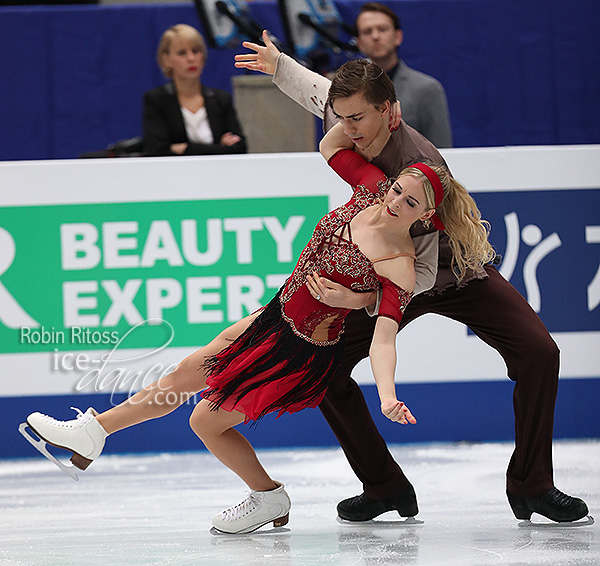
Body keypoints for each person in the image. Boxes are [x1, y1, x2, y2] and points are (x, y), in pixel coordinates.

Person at [22, 69, 495, 535]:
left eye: (410, 203)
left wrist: (387, 395)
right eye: (398, 190)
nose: (395, 203)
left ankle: (267, 495)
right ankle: (95, 432)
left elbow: (384, 339)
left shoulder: (400, 264)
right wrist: (345, 108)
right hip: (274, 314)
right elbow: (331, 145)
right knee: (182, 375)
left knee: (204, 421)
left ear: (427, 215)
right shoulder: (370, 188)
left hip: (299, 352)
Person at [234, 34, 591, 525]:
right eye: (342, 118)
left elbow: (416, 272)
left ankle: (532, 485)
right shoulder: (358, 120)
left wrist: (362, 297)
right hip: (391, 272)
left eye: (356, 119)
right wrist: (280, 66)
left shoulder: (418, 167)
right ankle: (384, 486)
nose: (345, 128)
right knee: (323, 366)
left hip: (450, 270)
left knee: (539, 353)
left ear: (390, 111)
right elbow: (326, 96)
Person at [354, 2, 453, 148]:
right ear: (359, 43)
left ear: (397, 37)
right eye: (367, 31)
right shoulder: (349, 92)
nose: (375, 36)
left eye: (382, 29)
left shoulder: (426, 89)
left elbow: (441, 151)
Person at [143, 24, 247, 157]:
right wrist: (219, 148)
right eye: (182, 53)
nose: (191, 58)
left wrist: (186, 148)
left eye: (196, 51)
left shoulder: (221, 99)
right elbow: (156, 151)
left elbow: (239, 148)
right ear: (166, 59)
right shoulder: (157, 100)